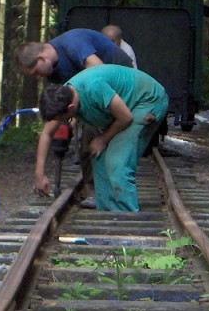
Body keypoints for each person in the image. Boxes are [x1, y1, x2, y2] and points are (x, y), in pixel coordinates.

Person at [15, 27, 134, 198]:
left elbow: (102, 74)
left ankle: (105, 189)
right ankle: (93, 188)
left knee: (92, 131)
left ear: (41, 58)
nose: (38, 78)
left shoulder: (73, 44)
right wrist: (39, 174)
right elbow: (47, 131)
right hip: (93, 90)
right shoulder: (54, 73)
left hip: (122, 79)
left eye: (36, 72)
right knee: (82, 137)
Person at [38, 65, 167, 212]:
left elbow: (125, 117)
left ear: (70, 108)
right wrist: (39, 175)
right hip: (125, 108)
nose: (61, 122)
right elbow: (46, 133)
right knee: (98, 155)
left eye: (62, 119)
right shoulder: (64, 97)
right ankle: (107, 211)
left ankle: (127, 215)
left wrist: (103, 139)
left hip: (148, 101)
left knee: (116, 161)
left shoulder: (93, 88)